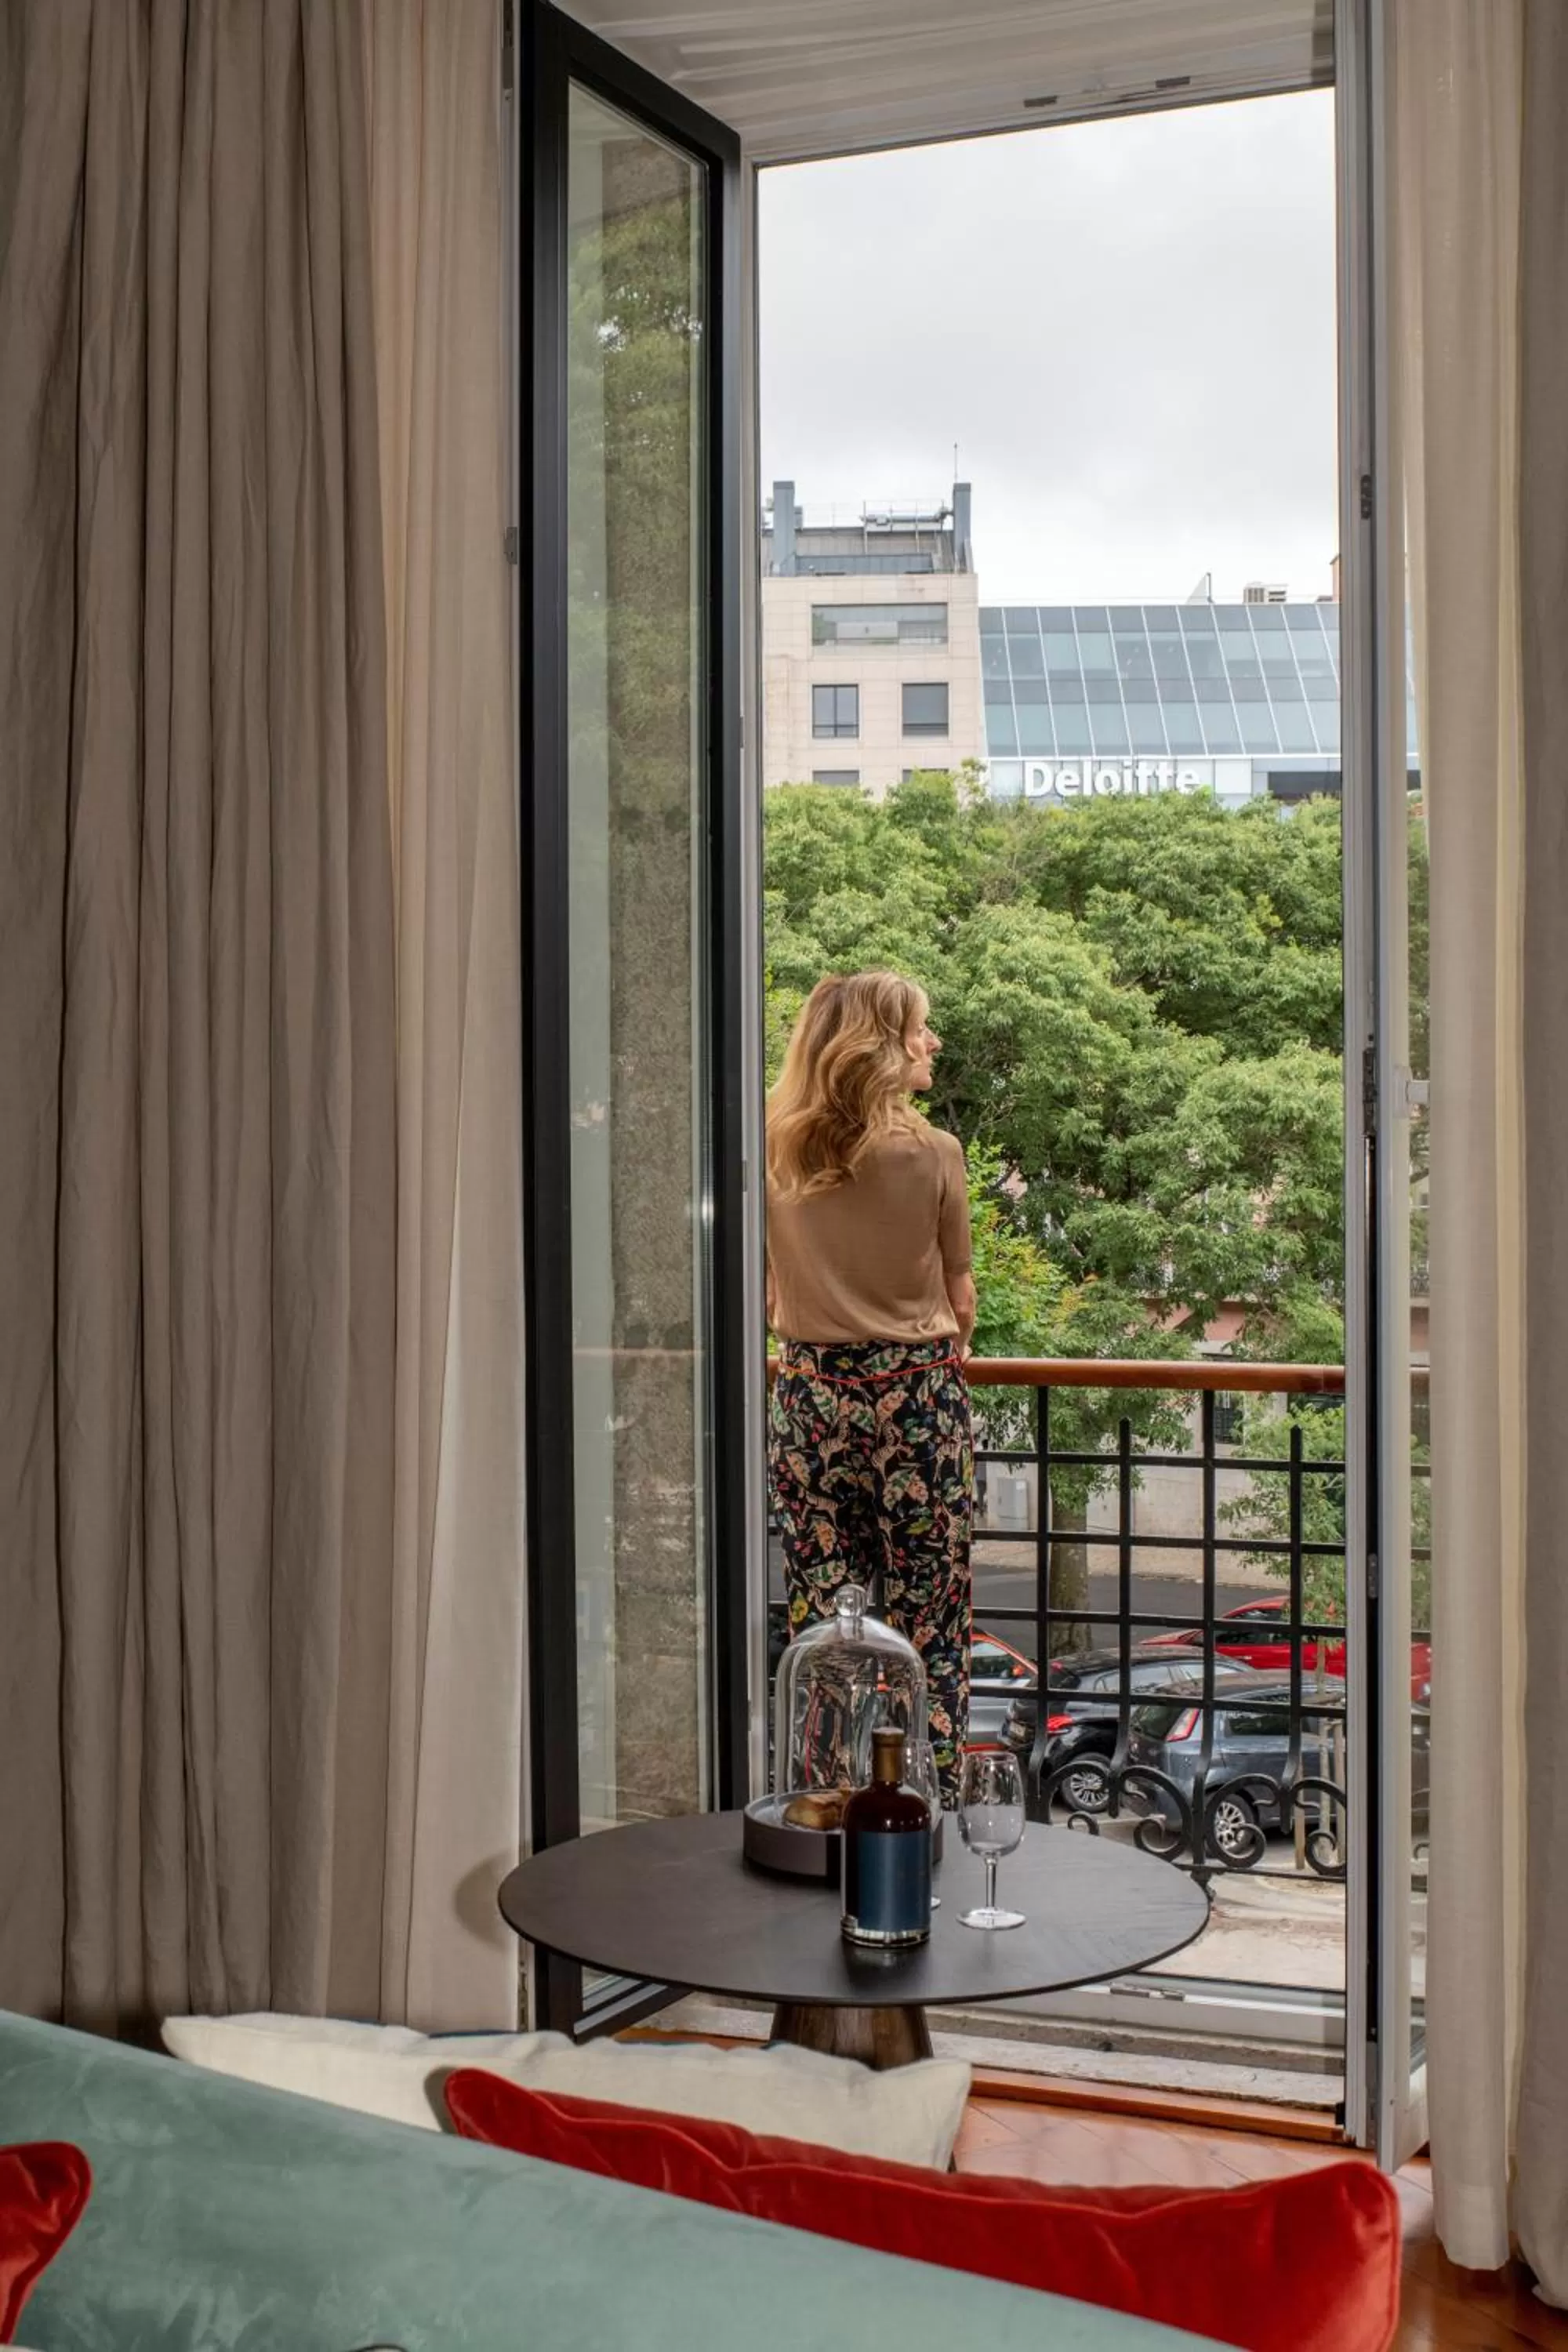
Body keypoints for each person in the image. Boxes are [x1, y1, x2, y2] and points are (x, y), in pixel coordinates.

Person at [766, 970, 975, 1798]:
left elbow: (771, 1296)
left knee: (826, 1619)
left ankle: (827, 1800)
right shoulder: (932, 1154)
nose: (931, 1043)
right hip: (914, 1397)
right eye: (919, 1030)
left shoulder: (776, 1148)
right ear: (882, 1046)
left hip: (809, 1398)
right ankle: (926, 1804)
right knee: (931, 1620)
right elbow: (960, 1303)